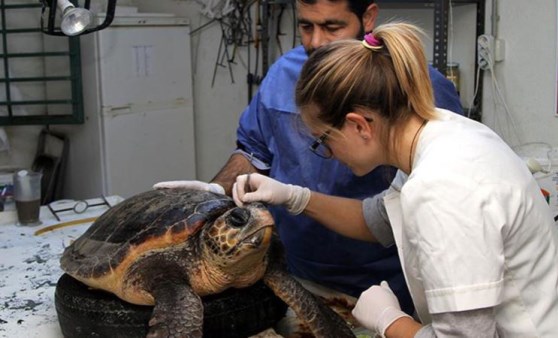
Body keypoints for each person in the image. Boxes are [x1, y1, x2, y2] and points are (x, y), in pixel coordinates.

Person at [231, 22, 558, 337]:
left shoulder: (442, 188)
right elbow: (377, 221)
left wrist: (388, 321)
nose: (328, 154)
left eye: (323, 142)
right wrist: (293, 196)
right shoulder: (439, 134)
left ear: (360, 126)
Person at [154, 0, 463, 314]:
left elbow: (411, 209)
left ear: (367, 17)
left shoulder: (421, 88)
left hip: (385, 282)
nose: (315, 42)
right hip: (295, 270)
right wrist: (210, 200)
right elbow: (254, 150)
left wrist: (391, 319)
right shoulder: (282, 76)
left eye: (332, 27)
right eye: (305, 27)